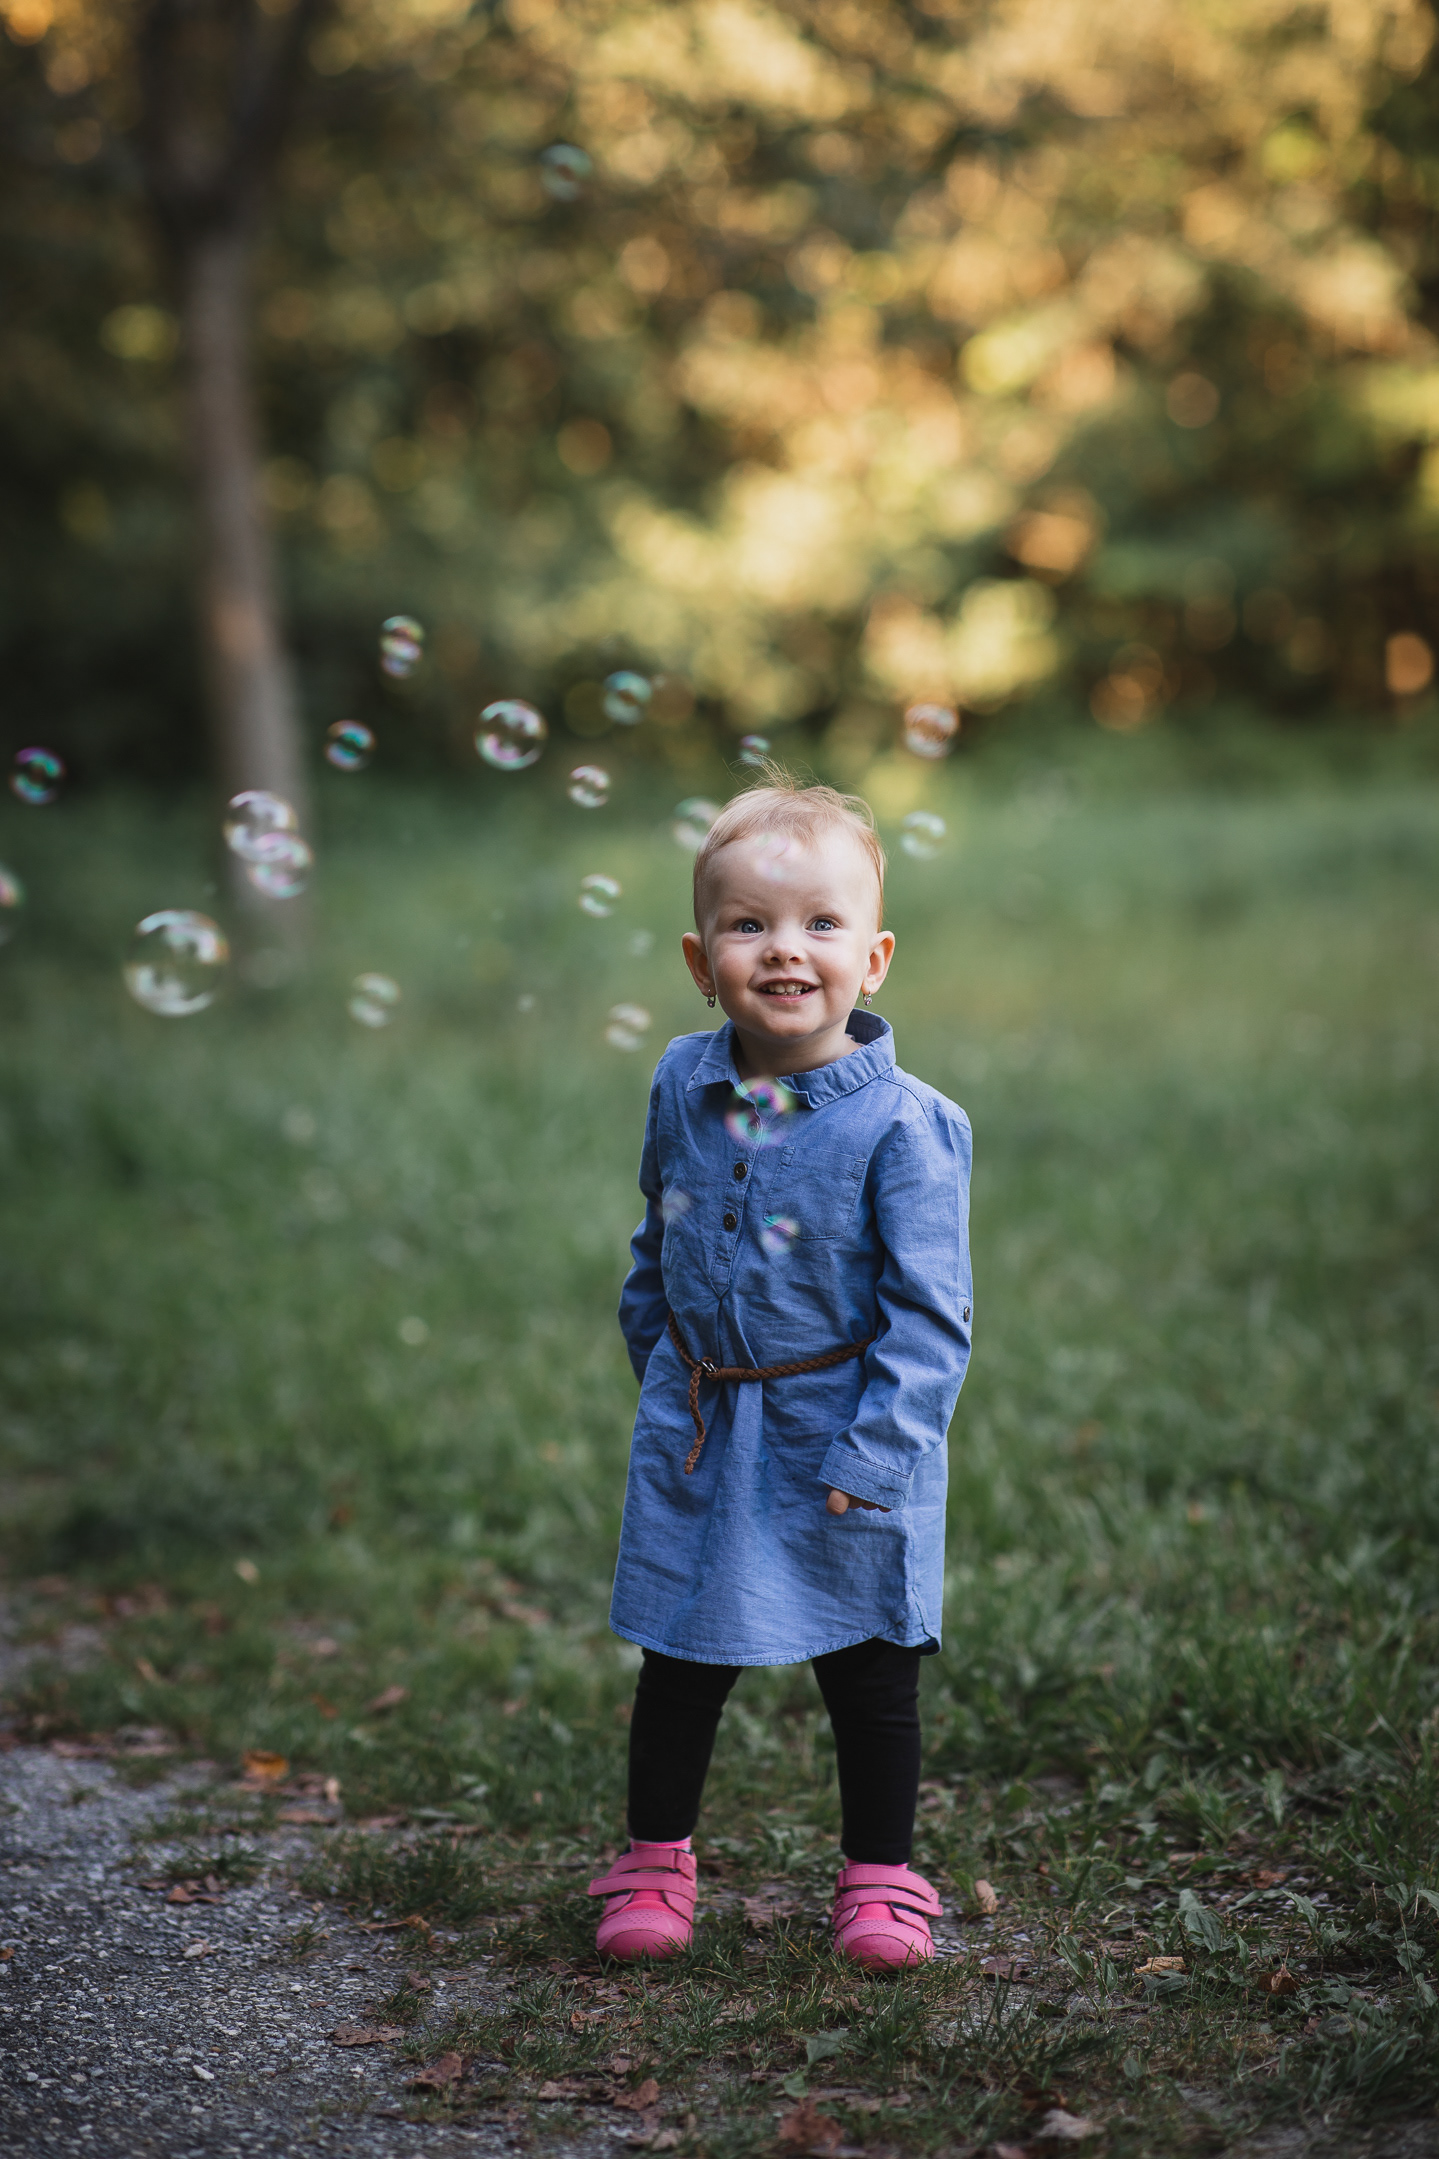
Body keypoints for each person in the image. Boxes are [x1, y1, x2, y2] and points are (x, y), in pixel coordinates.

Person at [587, 773, 973, 1972]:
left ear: (874, 957)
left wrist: (878, 1451)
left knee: (867, 1664)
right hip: (704, 1418)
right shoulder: (681, 1080)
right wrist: (661, 1365)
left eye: (820, 922)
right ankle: (655, 1857)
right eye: (747, 923)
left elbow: (930, 1317)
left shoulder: (903, 1124)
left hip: (843, 1429)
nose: (784, 948)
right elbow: (657, 1234)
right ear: (700, 961)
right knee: (680, 1653)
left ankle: (878, 1876)